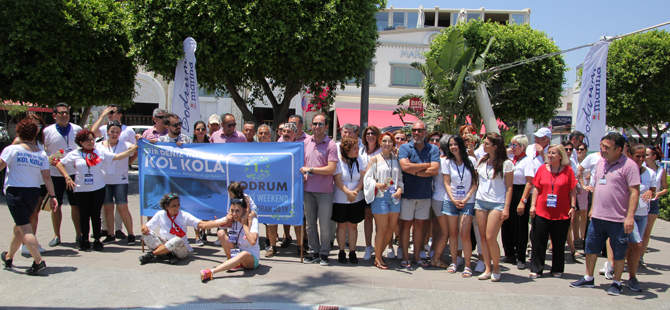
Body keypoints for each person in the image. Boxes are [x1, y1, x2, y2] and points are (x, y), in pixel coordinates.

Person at [570, 133, 640, 296]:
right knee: (591, 247)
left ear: (619, 149)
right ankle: (588, 278)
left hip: (618, 218)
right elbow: (596, 187)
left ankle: (616, 282)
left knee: (619, 251)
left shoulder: (629, 166)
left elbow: (634, 192)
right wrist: (593, 208)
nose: (603, 150)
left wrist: (630, 216)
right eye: (602, 146)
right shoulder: (601, 163)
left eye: (607, 147)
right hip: (597, 217)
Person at [56, 130, 137, 251]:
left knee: (96, 215)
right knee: (83, 215)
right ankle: (84, 240)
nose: (91, 142)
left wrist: (134, 149)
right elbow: (59, 163)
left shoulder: (99, 151)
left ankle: (97, 240)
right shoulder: (75, 153)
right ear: (81, 142)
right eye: (88, 140)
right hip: (81, 189)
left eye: (92, 139)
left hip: (98, 188)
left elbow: (116, 157)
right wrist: (67, 177)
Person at [1, 118, 58, 275]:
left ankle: (38, 262)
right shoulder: (41, 154)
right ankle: (9, 257)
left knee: (25, 229)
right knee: (19, 227)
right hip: (33, 193)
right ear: (35, 134)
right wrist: (53, 195)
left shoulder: (11, 150)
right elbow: (46, 177)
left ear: (18, 133)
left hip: (16, 192)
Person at [528, 144, 577, 278]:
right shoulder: (542, 169)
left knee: (559, 242)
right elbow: (537, 188)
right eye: (549, 153)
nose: (550, 155)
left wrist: (573, 207)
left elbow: (572, 190)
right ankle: (537, 269)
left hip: (561, 212)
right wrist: (533, 205)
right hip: (542, 211)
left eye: (553, 153)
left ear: (561, 156)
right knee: (539, 241)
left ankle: (557, 268)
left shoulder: (568, 170)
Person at [91, 105, 137, 241]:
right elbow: (93, 133)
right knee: (107, 209)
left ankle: (130, 234)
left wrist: (139, 140)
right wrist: (103, 116)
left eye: (117, 132)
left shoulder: (123, 143)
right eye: (112, 132)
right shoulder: (99, 146)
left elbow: (135, 148)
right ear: (107, 132)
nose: (114, 134)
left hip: (120, 180)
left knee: (122, 207)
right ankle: (110, 234)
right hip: (104, 180)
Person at [398, 121, 440, 268]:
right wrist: (426, 165)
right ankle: (404, 256)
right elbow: (404, 166)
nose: (416, 133)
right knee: (406, 225)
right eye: (414, 130)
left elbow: (435, 170)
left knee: (420, 226)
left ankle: (416, 256)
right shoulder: (404, 147)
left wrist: (413, 170)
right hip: (407, 194)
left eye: (420, 130)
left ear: (425, 132)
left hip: (424, 195)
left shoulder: (433, 149)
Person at [138, 193, 223, 265]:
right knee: (146, 234)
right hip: (165, 242)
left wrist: (220, 223)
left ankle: (152, 254)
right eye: (174, 206)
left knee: (176, 240)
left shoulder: (184, 215)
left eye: (178, 204)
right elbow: (147, 227)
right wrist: (143, 227)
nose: (177, 207)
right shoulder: (160, 214)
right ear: (166, 206)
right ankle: (168, 254)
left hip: (180, 248)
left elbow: (202, 224)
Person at [474, 132, 514, 282]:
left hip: (497, 202)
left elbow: (509, 187)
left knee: (491, 237)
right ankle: (487, 267)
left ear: (495, 147)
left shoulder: (507, 164)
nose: (483, 145)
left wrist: (507, 207)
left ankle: (496, 267)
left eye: (486, 144)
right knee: (483, 237)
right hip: (481, 201)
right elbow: (478, 182)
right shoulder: (482, 161)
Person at [300, 114, 338, 265]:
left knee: (324, 225)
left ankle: (324, 253)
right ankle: (313, 251)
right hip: (307, 189)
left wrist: (311, 169)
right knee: (310, 225)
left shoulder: (331, 145)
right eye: (315, 123)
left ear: (326, 127)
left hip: (325, 191)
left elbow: (331, 169)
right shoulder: (305, 143)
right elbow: (300, 163)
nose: (317, 126)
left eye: (320, 124)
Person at [43, 102, 82, 247]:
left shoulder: (77, 129)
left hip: (73, 173)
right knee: (56, 205)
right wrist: (49, 159)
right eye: (61, 113)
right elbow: (43, 151)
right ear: (54, 115)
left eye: (66, 112)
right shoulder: (47, 131)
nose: (65, 115)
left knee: (75, 205)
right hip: (54, 174)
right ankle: (56, 236)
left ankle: (79, 235)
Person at [364, 132, 403, 269]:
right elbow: (367, 178)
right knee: (382, 229)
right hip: (380, 196)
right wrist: (376, 184)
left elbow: (400, 179)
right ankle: (378, 258)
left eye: (390, 141)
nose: (387, 144)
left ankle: (379, 254)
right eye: (385, 141)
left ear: (393, 144)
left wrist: (400, 189)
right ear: (380, 143)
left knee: (391, 228)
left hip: (394, 197)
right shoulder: (374, 159)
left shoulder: (397, 159)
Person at [441, 134, 478, 276]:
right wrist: (453, 199)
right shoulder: (447, 162)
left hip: (468, 201)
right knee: (453, 233)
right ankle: (454, 261)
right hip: (451, 201)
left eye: (455, 144)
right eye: (450, 145)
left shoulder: (472, 160)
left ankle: (468, 264)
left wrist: (466, 198)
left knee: (464, 233)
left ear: (461, 145)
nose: (453, 147)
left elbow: (475, 183)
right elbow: (446, 183)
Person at [264, 123, 303, 257]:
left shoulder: (299, 148)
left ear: (295, 135)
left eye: (289, 131)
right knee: (272, 218)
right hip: (276, 188)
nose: (285, 133)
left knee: (297, 218)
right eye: (283, 131)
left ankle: (301, 246)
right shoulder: (274, 147)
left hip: (293, 189)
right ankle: (272, 246)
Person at [12, 114, 48, 254]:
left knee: (34, 213)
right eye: (33, 124)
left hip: (38, 182)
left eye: (38, 124)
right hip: (21, 184)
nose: (36, 127)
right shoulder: (17, 142)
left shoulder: (41, 142)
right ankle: (26, 243)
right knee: (23, 216)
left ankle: (28, 241)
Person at [200, 197, 260, 282]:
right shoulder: (232, 219)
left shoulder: (253, 221)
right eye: (232, 210)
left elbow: (253, 242)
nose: (234, 214)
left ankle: (211, 272)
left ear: (244, 210)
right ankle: (234, 263)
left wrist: (244, 225)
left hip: (251, 259)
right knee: (220, 233)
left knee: (244, 254)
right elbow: (204, 226)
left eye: (237, 211)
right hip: (237, 252)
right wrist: (223, 222)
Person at [624, 143, 655, 292]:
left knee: (635, 246)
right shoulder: (625, 169)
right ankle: (617, 269)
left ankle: (631, 276)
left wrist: (650, 193)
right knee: (632, 245)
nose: (641, 159)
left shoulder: (649, 173)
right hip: (626, 214)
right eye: (638, 156)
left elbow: (653, 191)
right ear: (630, 155)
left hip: (642, 214)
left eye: (644, 156)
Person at [501, 135, 534, 269]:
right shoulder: (509, 159)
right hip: (508, 191)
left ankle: (521, 256)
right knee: (506, 223)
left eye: (515, 145)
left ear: (523, 147)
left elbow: (529, 183)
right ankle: (509, 253)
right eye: (511, 145)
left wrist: (523, 201)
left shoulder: (527, 161)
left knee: (520, 226)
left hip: (520, 192)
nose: (512, 148)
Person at [332, 136, 367, 264]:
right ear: (346, 150)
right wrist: (347, 192)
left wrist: (355, 192)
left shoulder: (361, 159)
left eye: (357, 147)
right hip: (340, 199)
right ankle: (341, 252)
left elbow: (363, 178)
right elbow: (337, 179)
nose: (358, 150)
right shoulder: (339, 161)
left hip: (356, 198)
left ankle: (352, 252)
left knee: (353, 226)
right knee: (341, 225)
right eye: (354, 148)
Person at [640, 145, 667, 268]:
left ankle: (640, 257)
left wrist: (657, 193)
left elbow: (665, 188)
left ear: (654, 156)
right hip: (641, 201)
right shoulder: (641, 169)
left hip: (653, 202)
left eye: (647, 154)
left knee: (646, 232)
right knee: (637, 231)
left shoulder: (661, 170)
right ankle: (631, 256)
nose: (644, 157)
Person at [359, 125, 382, 261]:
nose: (370, 135)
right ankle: (368, 247)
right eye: (367, 133)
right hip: (365, 190)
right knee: (368, 218)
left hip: (379, 189)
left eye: (373, 133)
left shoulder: (382, 151)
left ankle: (383, 247)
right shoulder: (361, 151)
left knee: (380, 220)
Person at [428, 131, 448, 267]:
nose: (435, 142)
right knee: (428, 225)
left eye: (438, 140)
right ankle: (434, 255)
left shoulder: (446, 159)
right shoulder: (431, 156)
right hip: (432, 196)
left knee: (440, 228)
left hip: (443, 197)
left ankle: (435, 252)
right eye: (432, 140)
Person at [191, 120, 210, 246]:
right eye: (198, 129)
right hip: (193, 181)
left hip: (208, 181)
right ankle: (197, 235)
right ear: (194, 131)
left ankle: (204, 232)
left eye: (202, 129)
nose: (200, 131)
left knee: (206, 209)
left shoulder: (211, 146)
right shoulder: (188, 145)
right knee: (195, 210)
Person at [573, 143, 589, 250]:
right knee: (575, 215)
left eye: (582, 149)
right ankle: (576, 237)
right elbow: (577, 173)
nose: (579, 151)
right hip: (576, 189)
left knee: (584, 214)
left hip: (586, 190)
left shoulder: (589, 160)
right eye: (578, 149)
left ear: (586, 150)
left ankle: (583, 236)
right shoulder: (574, 160)